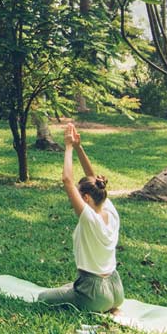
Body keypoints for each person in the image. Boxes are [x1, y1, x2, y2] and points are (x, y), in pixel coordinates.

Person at [39, 121, 124, 314]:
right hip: (116, 288)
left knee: (43, 298)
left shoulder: (89, 218)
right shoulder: (109, 210)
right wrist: (79, 147)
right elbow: (93, 178)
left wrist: (68, 146)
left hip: (95, 294)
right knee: (69, 286)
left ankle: (92, 302)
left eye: (79, 194)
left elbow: (67, 180)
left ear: (86, 198)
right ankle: (110, 306)